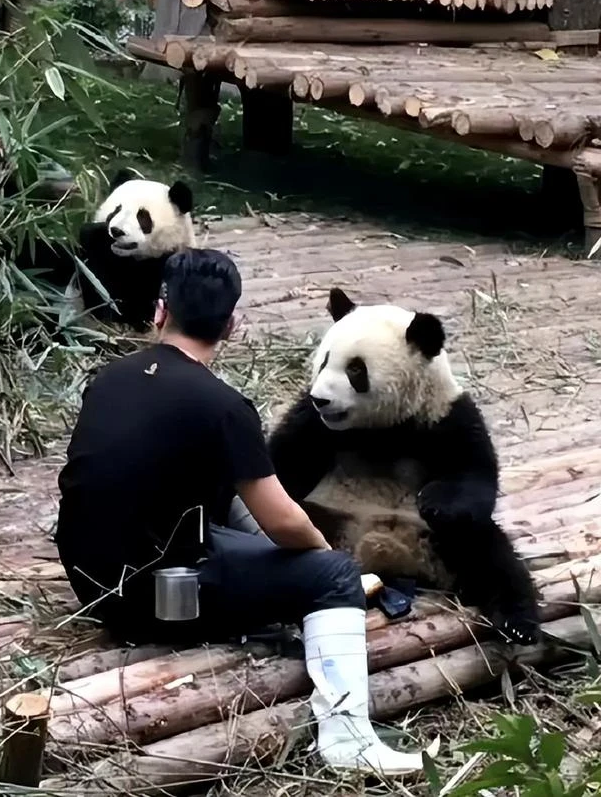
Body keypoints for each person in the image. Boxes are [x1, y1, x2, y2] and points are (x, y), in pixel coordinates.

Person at [54, 247, 434, 776]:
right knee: (334, 574)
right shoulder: (222, 405)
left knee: (227, 506)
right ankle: (348, 737)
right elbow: (283, 521)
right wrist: (330, 568)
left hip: (91, 583)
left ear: (160, 311)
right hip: (158, 602)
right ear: (233, 324)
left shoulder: (109, 379)